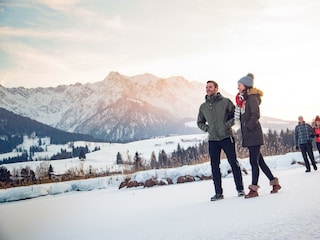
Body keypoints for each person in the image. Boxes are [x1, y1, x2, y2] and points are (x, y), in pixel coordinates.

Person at [197, 80, 245, 201]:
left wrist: (226, 125)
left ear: (216, 89)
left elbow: (236, 115)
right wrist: (208, 129)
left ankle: (240, 189)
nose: (208, 89)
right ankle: (218, 193)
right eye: (206, 87)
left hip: (226, 137)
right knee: (214, 166)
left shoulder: (226, 102)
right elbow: (199, 122)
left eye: (210, 87)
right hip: (213, 140)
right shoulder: (203, 107)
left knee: (233, 163)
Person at [236, 73, 281, 198]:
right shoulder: (245, 99)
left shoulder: (252, 98)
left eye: (239, 85)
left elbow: (255, 115)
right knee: (259, 161)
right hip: (250, 135)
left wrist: (248, 127)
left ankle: (254, 189)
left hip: (254, 134)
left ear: (245, 85)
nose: (237, 87)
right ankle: (274, 183)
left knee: (254, 162)